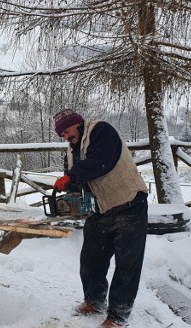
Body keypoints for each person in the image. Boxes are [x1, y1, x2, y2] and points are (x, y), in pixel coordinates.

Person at [52, 108, 149, 328]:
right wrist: (69, 187)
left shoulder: (101, 131)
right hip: (99, 210)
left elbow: (100, 161)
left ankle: (118, 316)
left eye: (67, 130)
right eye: (62, 135)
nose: (66, 136)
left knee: (127, 266)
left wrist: (71, 177)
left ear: (77, 123)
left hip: (129, 204)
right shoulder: (71, 150)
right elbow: (75, 179)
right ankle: (94, 302)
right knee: (90, 260)